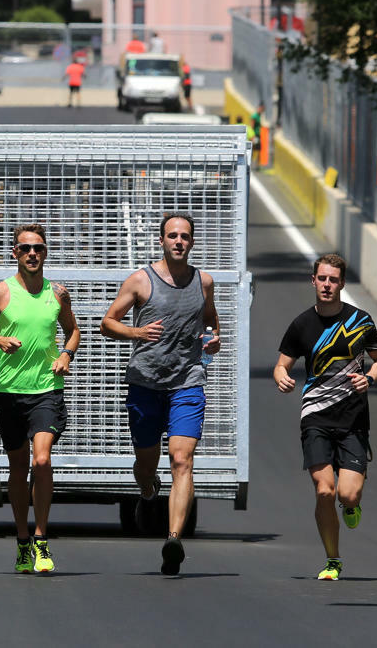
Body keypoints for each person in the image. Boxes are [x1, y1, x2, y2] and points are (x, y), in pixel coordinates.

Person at [100, 213, 220, 576]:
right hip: (146, 383)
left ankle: (173, 539)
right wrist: (136, 334)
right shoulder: (141, 280)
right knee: (147, 465)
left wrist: (213, 340)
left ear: (192, 242)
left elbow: (212, 322)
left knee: (182, 459)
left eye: (185, 236)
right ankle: (148, 489)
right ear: (162, 241)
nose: (179, 241)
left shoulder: (204, 282)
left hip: (187, 381)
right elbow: (108, 322)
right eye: (172, 236)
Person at [0, 224, 81, 574]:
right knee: (18, 466)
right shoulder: (0, 293)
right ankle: (22, 540)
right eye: (26, 248)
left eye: (39, 248)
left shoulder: (58, 293)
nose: (33, 253)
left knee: (41, 461)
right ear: (15, 253)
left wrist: (66, 356)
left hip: (46, 390)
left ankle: (42, 540)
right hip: (10, 392)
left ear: (46, 253)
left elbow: (73, 330)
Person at [273, 253, 377, 581]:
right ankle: (332, 560)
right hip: (315, 417)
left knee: (346, 494)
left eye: (333, 280)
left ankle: (352, 505)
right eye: (321, 279)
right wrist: (281, 375)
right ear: (313, 281)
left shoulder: (360, 322)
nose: (326, 285)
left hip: (353, 419)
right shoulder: (302, 324)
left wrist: (369, 378)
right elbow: (282, 363)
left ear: (341, 283)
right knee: (324, 490)